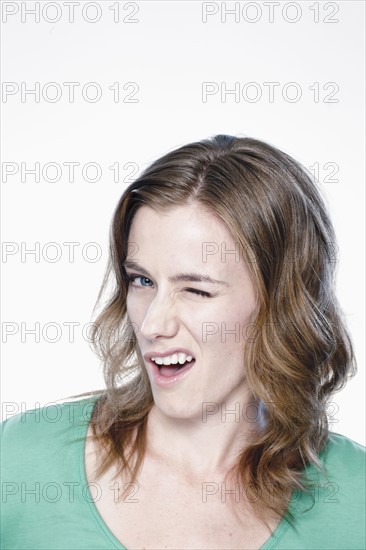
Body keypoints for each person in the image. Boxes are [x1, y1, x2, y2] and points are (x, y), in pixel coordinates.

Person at [1, 134, 365, 550]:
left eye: (195, 290)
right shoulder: (17, 464)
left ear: (281, 304)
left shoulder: (357, 501)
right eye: (142, 281)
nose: (153, 323)